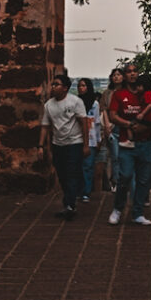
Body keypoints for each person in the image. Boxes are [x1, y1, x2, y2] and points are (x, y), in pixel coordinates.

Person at [107, 61, 151, 227]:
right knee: (126, 176)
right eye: (128, 71)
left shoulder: (145, 93)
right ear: (124, 75)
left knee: (144, 179)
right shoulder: (118, 94)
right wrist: (129, 125)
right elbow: (112, 116)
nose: (132, 74)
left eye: (135, 71)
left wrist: (145, 126)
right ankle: (118, 208)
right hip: (126, 143)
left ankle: (137, 213)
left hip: (145, 142)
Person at [40, 71, 89, 219]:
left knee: (71, 173)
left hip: (74, 142)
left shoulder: (75, 102)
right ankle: (71, 198)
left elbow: (84, 124)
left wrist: (86, 145)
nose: (53, 87)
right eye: (52, 84)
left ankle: (70, 205)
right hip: (58, 144)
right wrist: (41, 146)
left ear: (65, 88)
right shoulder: (49, 105)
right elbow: (45, 126)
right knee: (62, 174)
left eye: (56, 84)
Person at [77, 77, 102, 201]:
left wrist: (98, 139)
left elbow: (97, 123)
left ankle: (86, 192)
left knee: (88, 166)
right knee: (77, 166)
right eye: (79, 86)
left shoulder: (94, 104)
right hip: (77, 138)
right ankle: (78, 191)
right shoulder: (76, 102)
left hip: (91, 138)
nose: (81, 88)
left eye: (83, 85)